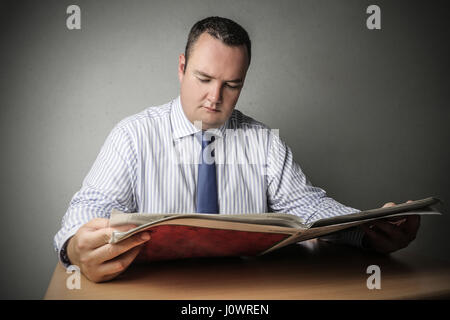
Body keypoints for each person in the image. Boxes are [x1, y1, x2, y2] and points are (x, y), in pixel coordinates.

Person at [54, 16, 420, 283]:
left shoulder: (263, 141)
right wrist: (75, 248)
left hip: (251, 296)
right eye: (203, 79)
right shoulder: (133, 136)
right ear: (182, 68)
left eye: (232, 85)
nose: (215, 98)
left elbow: (307, 206)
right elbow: (90, 205)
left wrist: (366, 227)